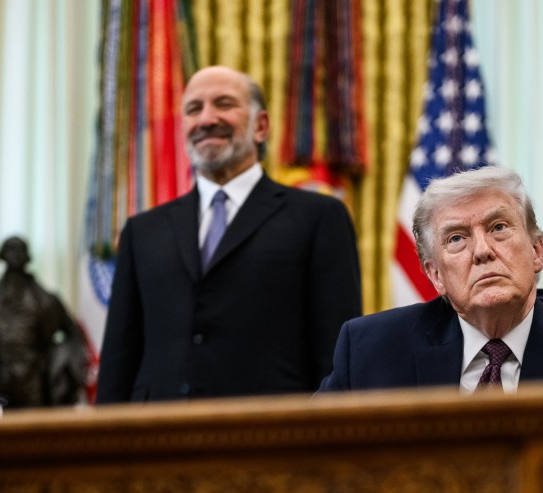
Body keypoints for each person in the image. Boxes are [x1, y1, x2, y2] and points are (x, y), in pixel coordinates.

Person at [96, 66, 362, 403]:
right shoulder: (142, 231)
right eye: (194, 109)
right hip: (158, 439)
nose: (206, 119)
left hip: (271, 437)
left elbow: (336, 352)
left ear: (261, 126)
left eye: (223, 104)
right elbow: (120, 356)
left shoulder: (319, 217)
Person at [318, 166, 543, 392]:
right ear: (435, 275)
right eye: (457, 238)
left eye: (498, 228)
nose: (482, 251)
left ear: (537, 251)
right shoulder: (370, 351)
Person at [0, 236, 88, 408]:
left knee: (34, 434)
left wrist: (60, 373)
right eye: (11, 249)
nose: (15, 255)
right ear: (1, 255)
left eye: (20, 250)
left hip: (34, 390)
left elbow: (74, 338)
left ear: (28, 256)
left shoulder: (47, 301)